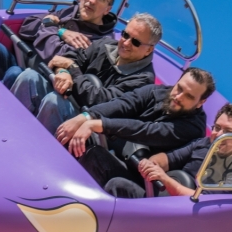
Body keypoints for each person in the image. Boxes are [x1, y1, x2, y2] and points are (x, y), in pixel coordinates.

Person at [55, 68, 215, 188]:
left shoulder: (194, 127)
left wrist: (97, 124)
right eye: (179, 88)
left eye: (189, 96)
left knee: (95, 156)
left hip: (143, 181)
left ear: (201, 103)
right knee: (69, 123)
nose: (178, 97)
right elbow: (122, 104)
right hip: (120, 153)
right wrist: (85, 117)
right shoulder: (155, 91)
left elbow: (148, 131)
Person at [11, 13, 161, 132]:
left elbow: (101, 101)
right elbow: (70, 58)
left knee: (53, 101)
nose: (126, 42)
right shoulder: (104, 45)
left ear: (149, 49)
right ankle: (7, 127)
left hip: (88, 124)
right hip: (69, 97)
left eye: (135, 42)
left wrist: (73, 70)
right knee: (29, 76)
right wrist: (63, 71)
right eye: (125, 35)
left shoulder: (143, 81)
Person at [105, 103, 232, 198]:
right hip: (161, 198)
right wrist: (152, 164)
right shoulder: (202, 144)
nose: (218, 134)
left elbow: (205, 202)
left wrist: (166, 180)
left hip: (187, 223)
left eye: (227, 131)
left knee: (117, 185)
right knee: (104, 165)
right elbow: (170, 158)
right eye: (217, 128)